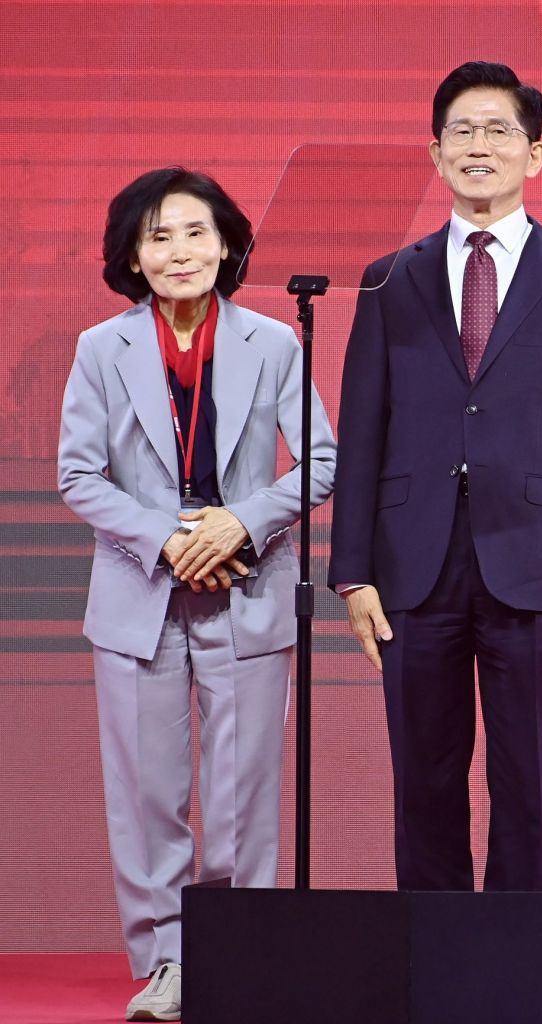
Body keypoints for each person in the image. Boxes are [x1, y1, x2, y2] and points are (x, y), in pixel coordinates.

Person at [328, 62, 542, 894]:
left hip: (536, 559)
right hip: (412, 562)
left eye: (499, 130)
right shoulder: (388, 278)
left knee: (530, 783)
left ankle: (523, 958)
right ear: (435, 153)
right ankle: (435, 957)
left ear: (533, 154)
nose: (479, 145)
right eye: (461, 130)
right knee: (422, 784)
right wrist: (352, 570)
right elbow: (362, 428)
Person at [58, 167, 336, 1021]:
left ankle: (241, 958)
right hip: (140, 594)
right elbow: (78, 475)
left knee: (242, 795)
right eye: (158, 237)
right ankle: (168, 965)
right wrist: (170, 538)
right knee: (148, 798)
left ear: (227, 245)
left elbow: (322, 461)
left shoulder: (274, 342)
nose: (179, 252)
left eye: (195, 232)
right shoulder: (101, 348)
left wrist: (240, 523)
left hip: (246, 589)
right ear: (131, 257)